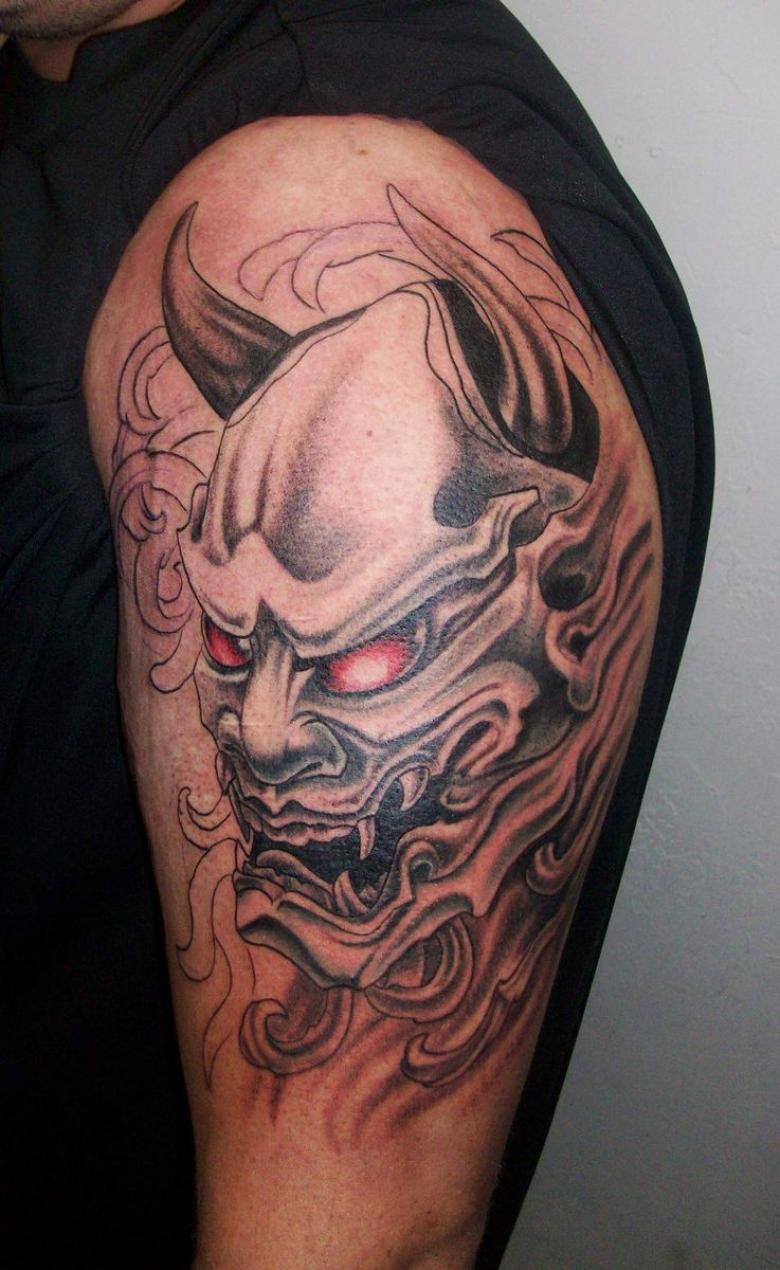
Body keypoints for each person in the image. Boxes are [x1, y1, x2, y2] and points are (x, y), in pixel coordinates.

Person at [0, 2, 714, 1267]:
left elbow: (364, 1246)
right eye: (233, 653)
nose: (265, 733)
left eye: (360, 660)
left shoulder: (311, 201)